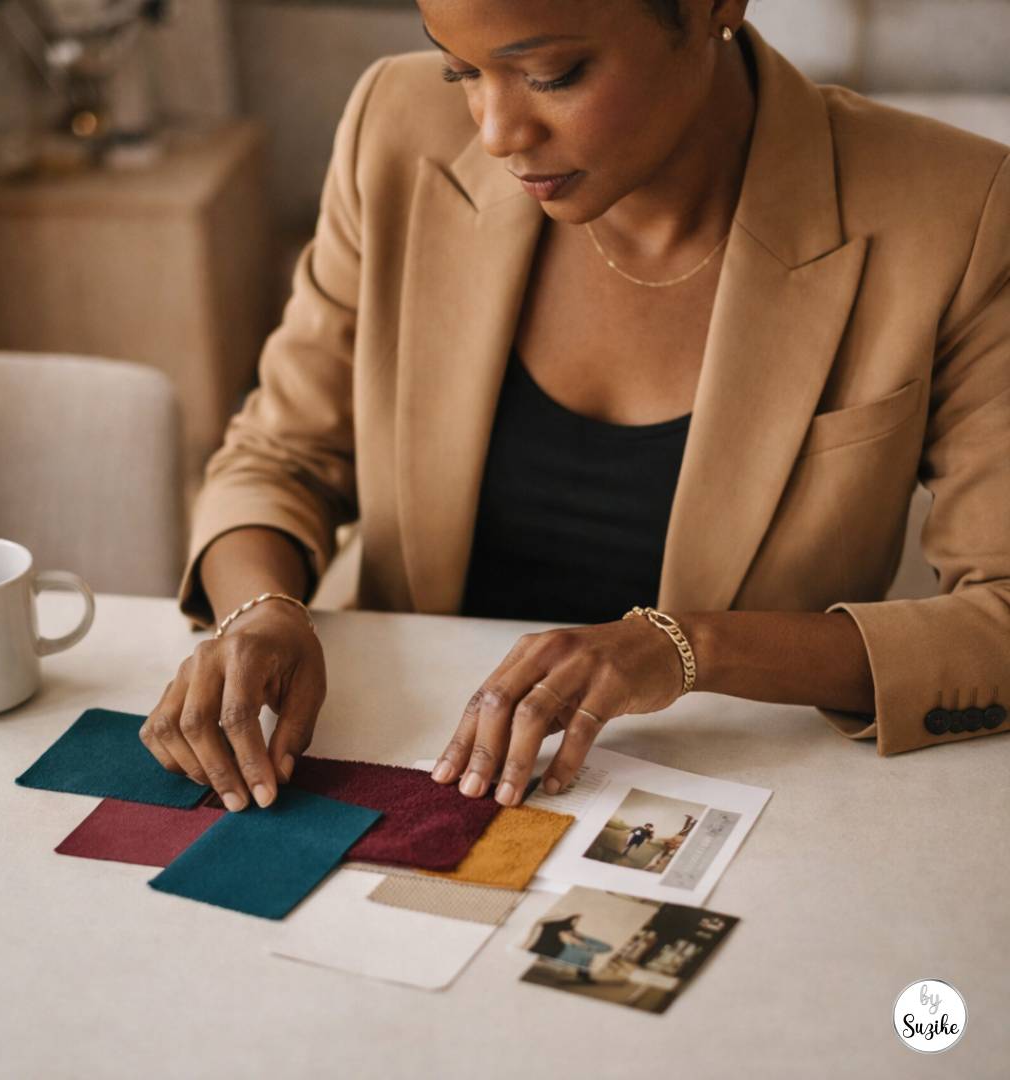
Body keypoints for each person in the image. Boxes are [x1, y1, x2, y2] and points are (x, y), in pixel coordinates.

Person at [139, 0, 1010, 815]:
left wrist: (686, 649)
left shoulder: (956, 212)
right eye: (462, 72)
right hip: (415, 770)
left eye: (552, 75)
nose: (495, 132)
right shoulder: (394, 126)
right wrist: (260, 612)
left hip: (749, 801)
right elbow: (280, 456)